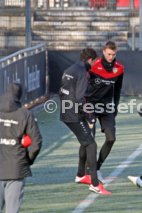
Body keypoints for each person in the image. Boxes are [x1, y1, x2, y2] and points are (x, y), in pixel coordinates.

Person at [59, 48, 111, 195]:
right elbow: (80, 98)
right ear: (91, 60)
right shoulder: (83, 72)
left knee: (85, 140)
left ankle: (81, 175)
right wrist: (89, 115)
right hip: (74, 114)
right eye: (95, 61)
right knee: (91, 144)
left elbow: (62, 91)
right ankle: (95, 184)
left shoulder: (70, 68)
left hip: (67, 109)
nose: (95, 64)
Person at [0, 83, 42, 212]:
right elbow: (36, 141)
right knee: (12, 209)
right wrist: (27, 160)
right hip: (16, 168)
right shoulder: (25, 114)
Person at [86, 41, 124, 184]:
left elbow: (118, 89)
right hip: (91, 105)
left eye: (113, 54)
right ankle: (86, 171)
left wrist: (115, 107)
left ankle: (97, 168)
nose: (111, 57)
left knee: (111, 138)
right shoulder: (93, 67)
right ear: (103, 52)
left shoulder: (119, 68)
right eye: (109, 54)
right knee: (90, 140)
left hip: (107, 106)